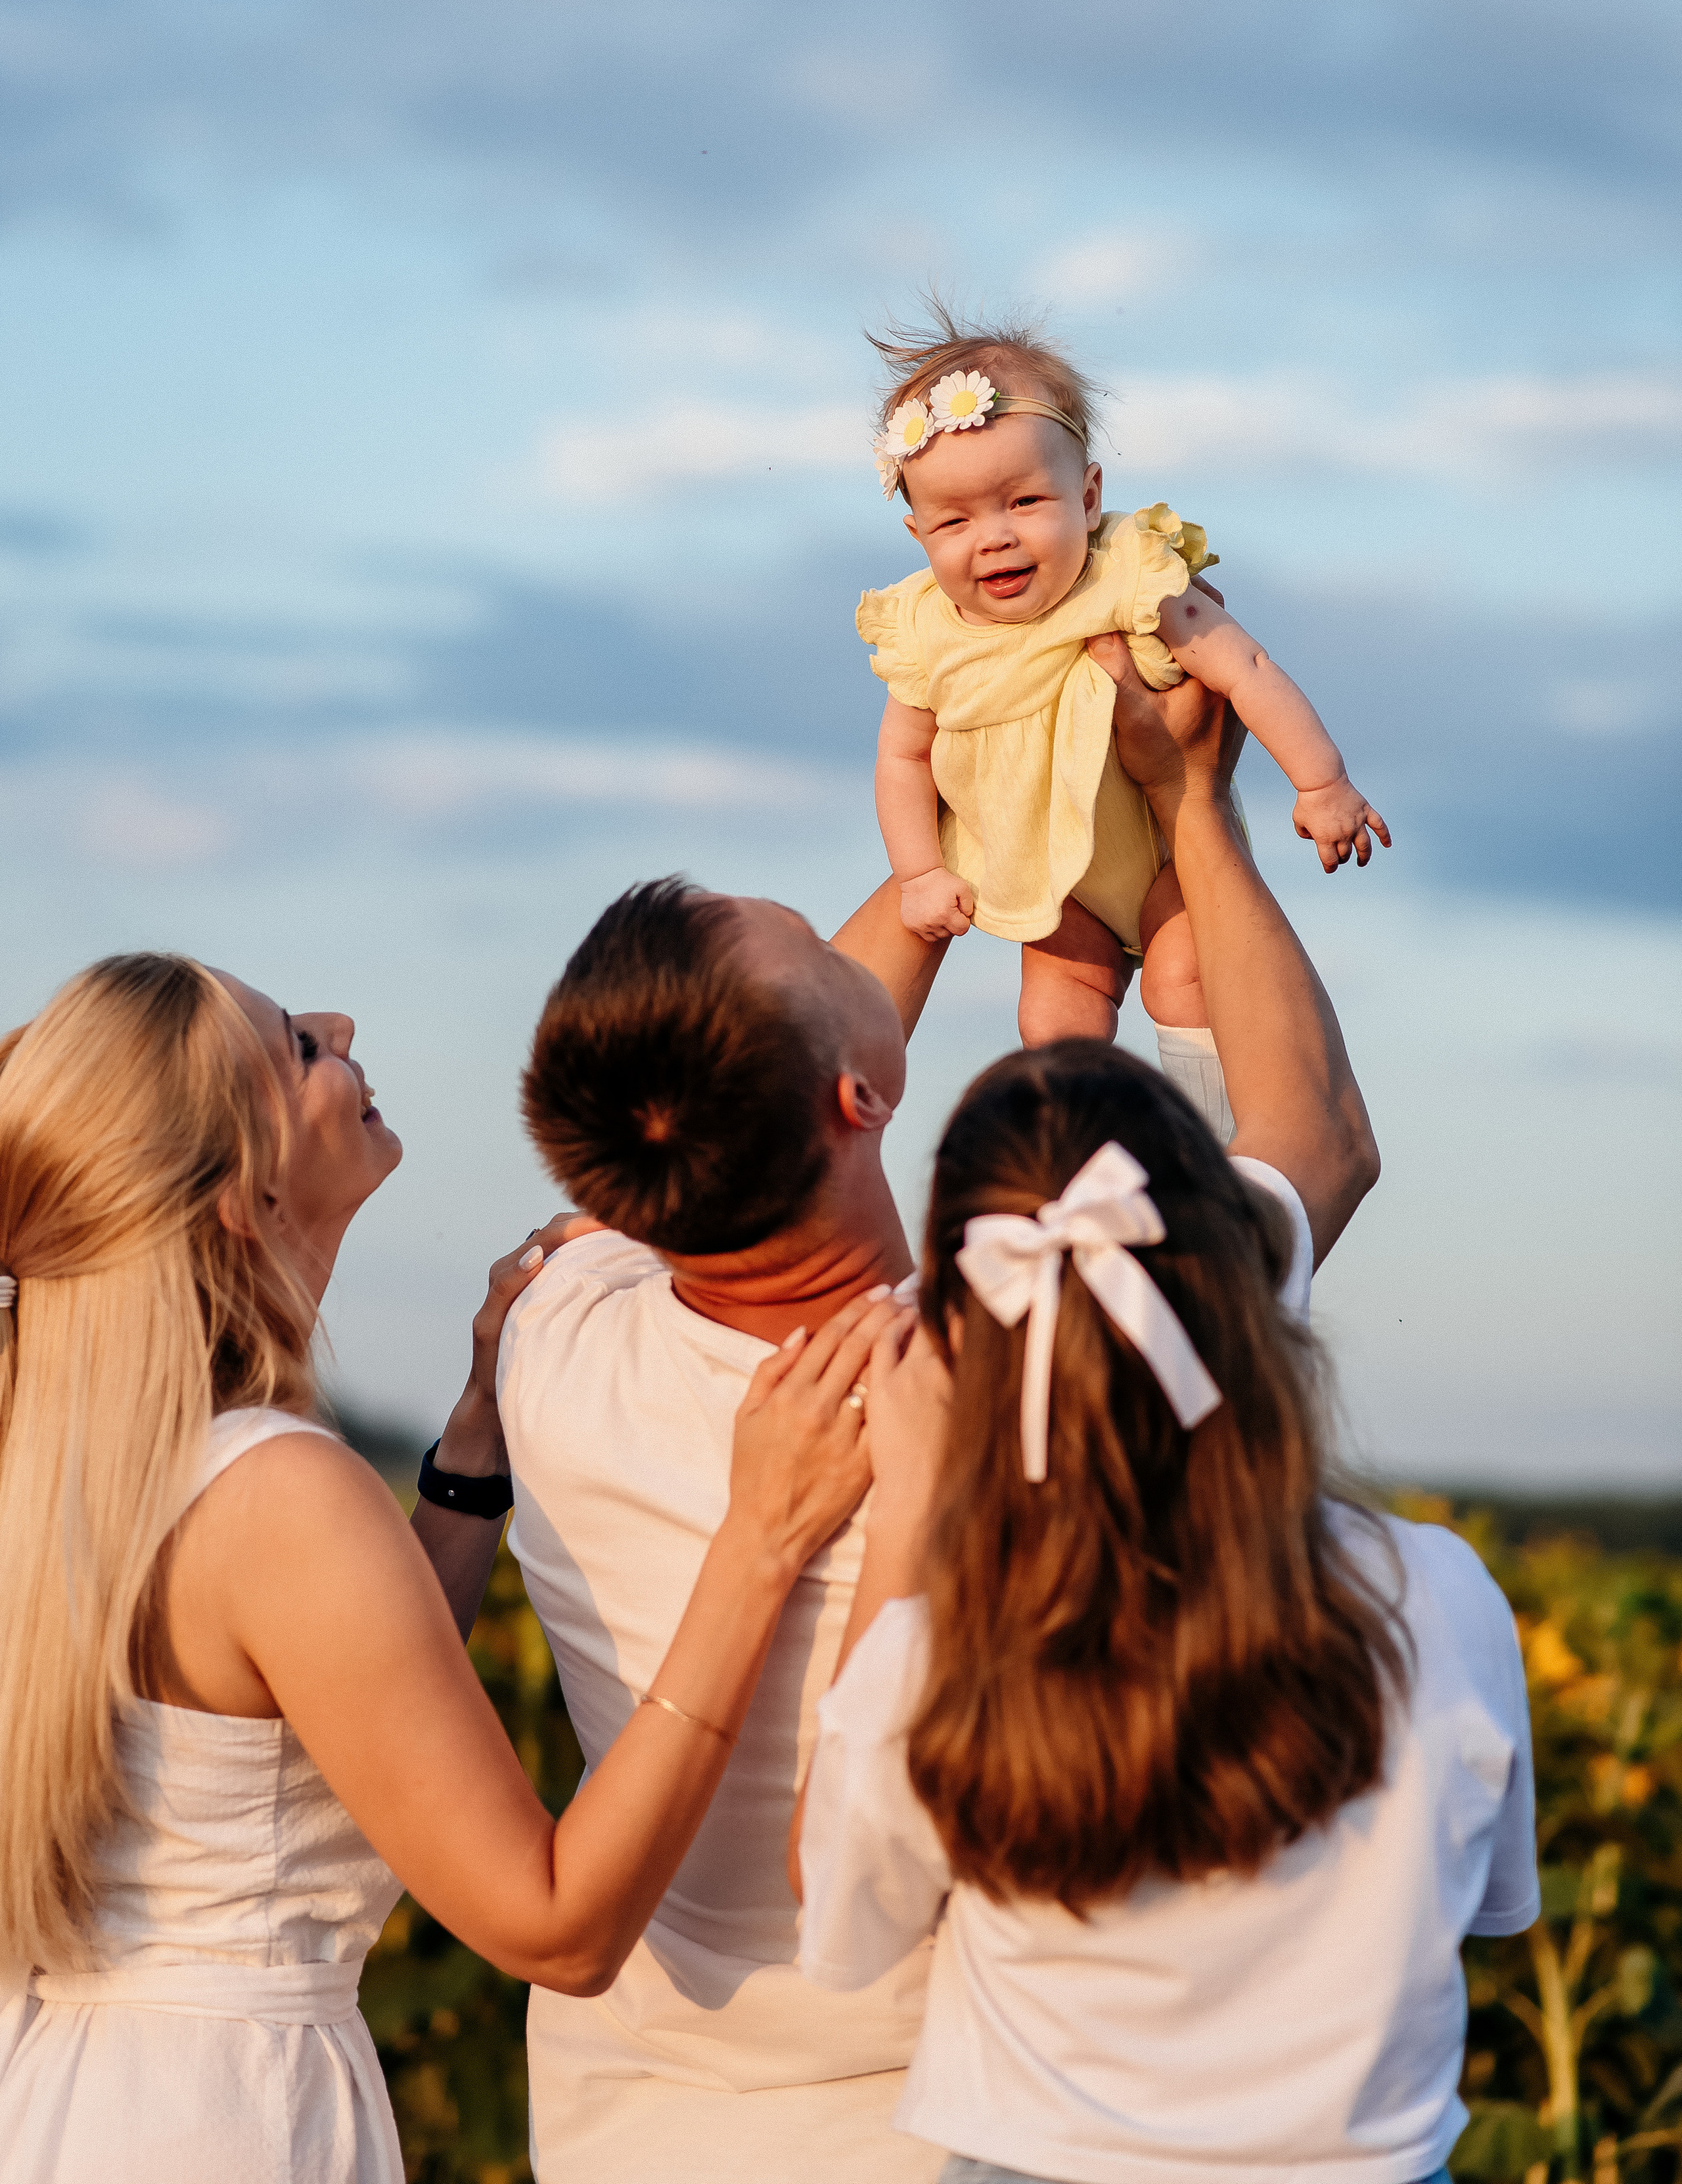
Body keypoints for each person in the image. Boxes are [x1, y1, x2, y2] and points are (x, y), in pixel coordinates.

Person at [495, 646, 1380, 2184]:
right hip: (953, 2116)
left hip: (625, 2116)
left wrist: (981, 785)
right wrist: (1185, 801)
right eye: (819, 943)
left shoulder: (551, 1330)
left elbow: (716, 1089)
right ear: (859, 1097)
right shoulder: (1047, 1360)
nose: (860, 935)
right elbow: (1320, 1133)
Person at [0, 953, 893, 2182]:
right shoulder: (275, 1489)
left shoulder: (80, 1454)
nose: (339, 1022)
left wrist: (473, 1445)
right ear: (241, 1193)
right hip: (226, 2119)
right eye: (296, 1046)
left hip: (74, 2097)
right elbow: (557, 1924)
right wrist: (762, 1536)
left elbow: (341, 1698)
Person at [794, 1037, 1537, 2184]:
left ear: (952, 1336)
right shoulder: (1436, 1592)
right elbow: (1489, 1903)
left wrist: (905, 1519)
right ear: (1241, 1276)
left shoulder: (944, 1648)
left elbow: (843, 1920)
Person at [853, 302, 1389, 1053]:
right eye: (955, 522)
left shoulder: (1127, 574)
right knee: (1053, 1014)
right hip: (1052, 876)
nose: (995, 536)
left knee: (1183, 980)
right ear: (918, 534)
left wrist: (1321, 782)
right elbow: (902, 756)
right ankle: (1080, 1120)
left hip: (1170, 849)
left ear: (1088, 499)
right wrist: (917, 875)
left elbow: (1245, 667)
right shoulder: (924, 630)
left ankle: (1210, 1122)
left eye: (1024, 502)